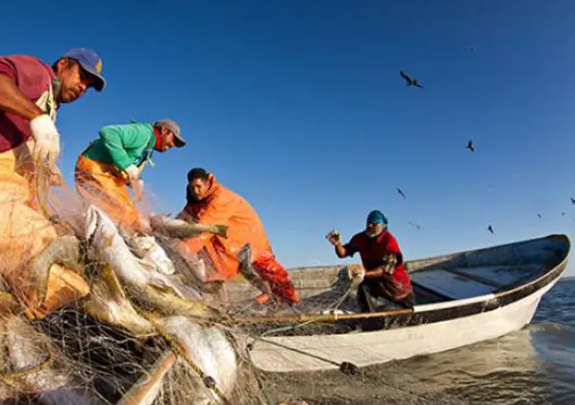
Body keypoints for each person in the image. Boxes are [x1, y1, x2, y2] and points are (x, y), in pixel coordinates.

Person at [0, 48, 106, 319]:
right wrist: (36, 117)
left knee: (67, 249)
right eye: (82, 76)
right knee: (52, 270)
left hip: (4, 190)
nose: (83, 86)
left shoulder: (49, 108)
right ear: (63, 64)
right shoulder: (38, 74)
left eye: (89, 85)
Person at [177, 168, 298, 305]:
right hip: (230, 245)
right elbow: (185, 218)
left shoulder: (221, 198)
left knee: (269, 271)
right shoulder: (198, 200)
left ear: (208, 183)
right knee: (229, 272)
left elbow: (205, 228)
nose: (196, 191)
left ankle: (291, 302)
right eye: (192, 188)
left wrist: (182, 251)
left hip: (249, 240)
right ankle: (270, 297)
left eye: (198, 187)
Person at [75, 119, 186, 233]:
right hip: (93, 165)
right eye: (173, 139)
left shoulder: (148, 150)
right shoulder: (142, 133)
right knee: (124, 213)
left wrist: (136, 183)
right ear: (164, 130)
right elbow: (108, 132)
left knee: (131, 213)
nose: (173, 145)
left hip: (109, 174)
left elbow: (129, 171)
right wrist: (127, 165)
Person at [326, 210, 415, 313]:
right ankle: (369, 319)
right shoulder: (360, 239)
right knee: (364, 288)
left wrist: (364, 273)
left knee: (407, 313)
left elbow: (385, 269)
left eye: (374, 223)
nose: (370, 225)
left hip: (397, 288)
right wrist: (337, 244)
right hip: (377, 284)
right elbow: (343, 253)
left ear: (382, 225)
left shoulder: (389, 241)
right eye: (368, 222)